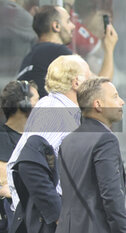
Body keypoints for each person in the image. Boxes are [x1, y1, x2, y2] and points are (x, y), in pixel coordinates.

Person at [7, 54, 92, 231]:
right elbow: (28, 166)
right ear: (76, 83)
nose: (94, 82)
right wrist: (58, 215)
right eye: (89, 75)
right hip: (47, 221)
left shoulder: (62, 110)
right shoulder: (54, 111)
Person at [57, 78, 126, 233]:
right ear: (98, 105)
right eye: (115, 97)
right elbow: (111, 196)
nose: (121, 102)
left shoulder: (68, 140)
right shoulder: (106, 139)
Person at [17, 5, 117, 97]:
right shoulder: (56, 51)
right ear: (56, 26)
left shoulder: (29, 57)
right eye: (68, 21)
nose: (73, 26)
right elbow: (101, 87)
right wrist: (109, 48)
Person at [0, 80, 39, 233]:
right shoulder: (0, 136)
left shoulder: (36, 137)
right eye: (37, 100)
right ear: (24, 105)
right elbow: (1, 184)